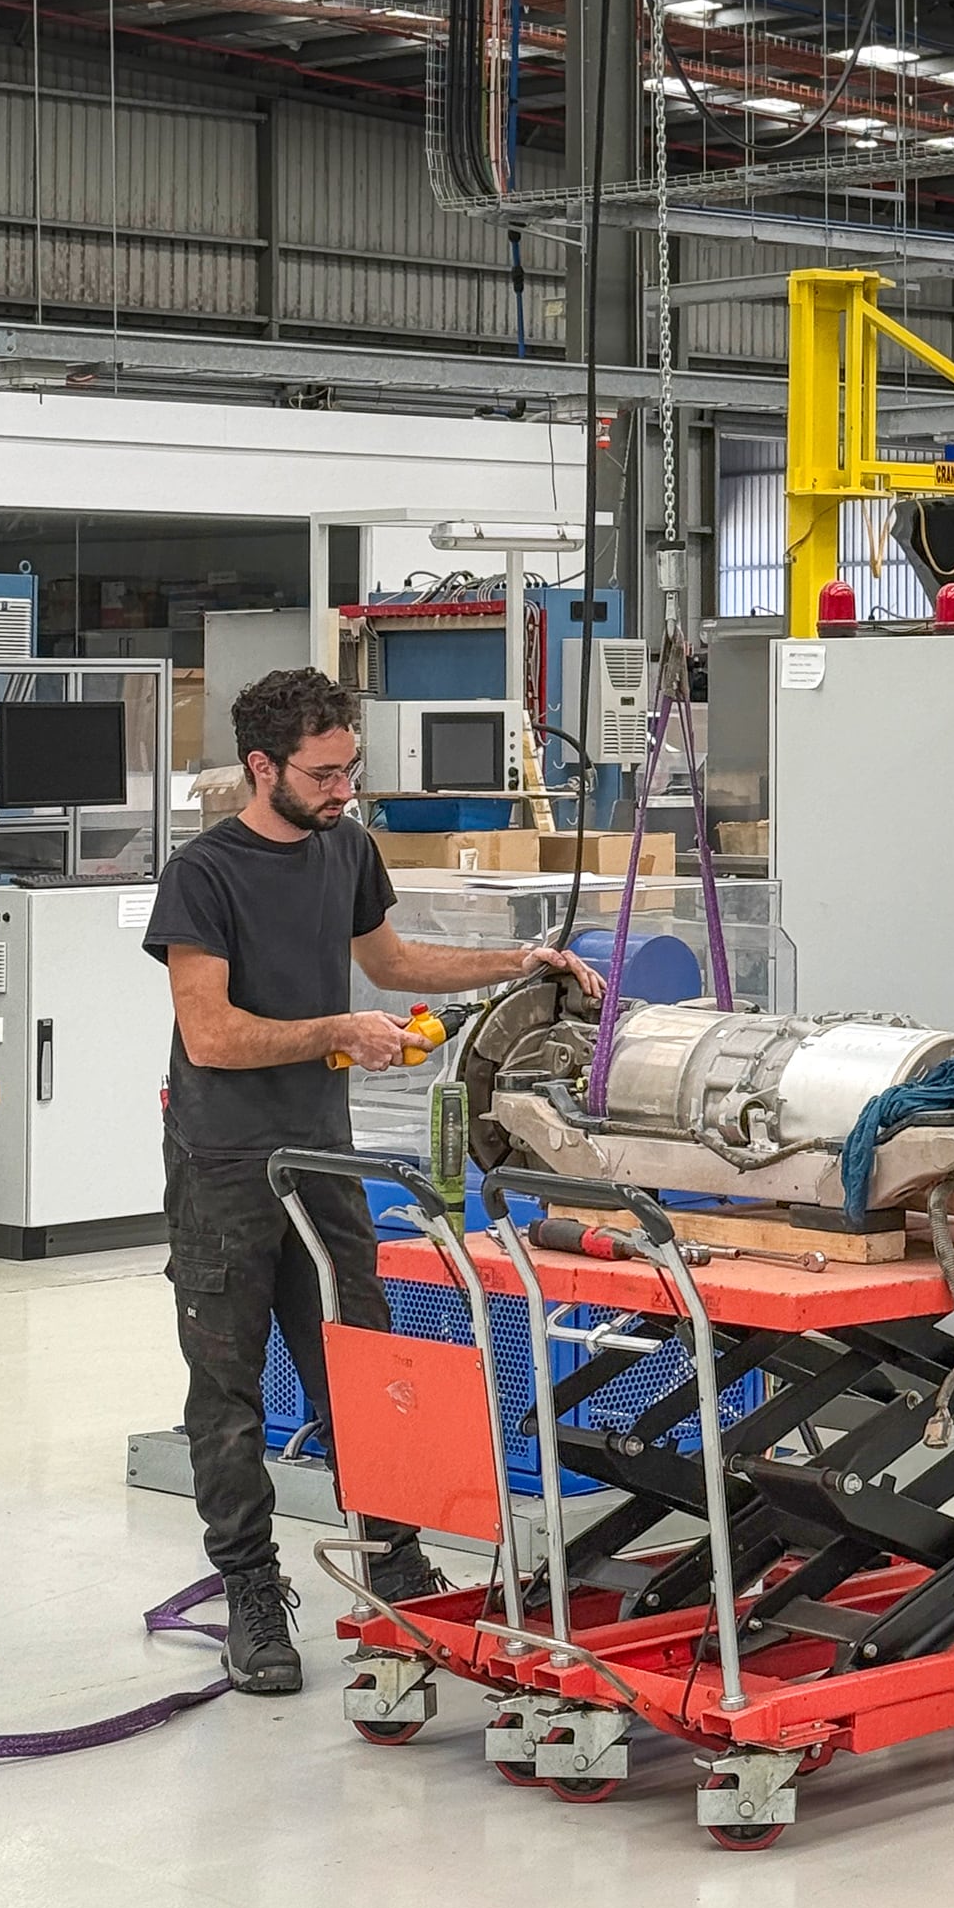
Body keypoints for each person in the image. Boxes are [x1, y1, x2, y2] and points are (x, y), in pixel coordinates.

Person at [145, 665, 602, 1696]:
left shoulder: (345, 848)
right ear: (264, 768)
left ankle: (393, 1560)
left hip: (325, 1161)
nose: (345, 789)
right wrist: (336, 1031)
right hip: (226, 1164)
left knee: (363, 1363)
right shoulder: (203, 876)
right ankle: (253, 1593)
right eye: (324, 772)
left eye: (351, 769)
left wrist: (520, 963)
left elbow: (391, 963)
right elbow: (210, 1036)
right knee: (225, 1393)